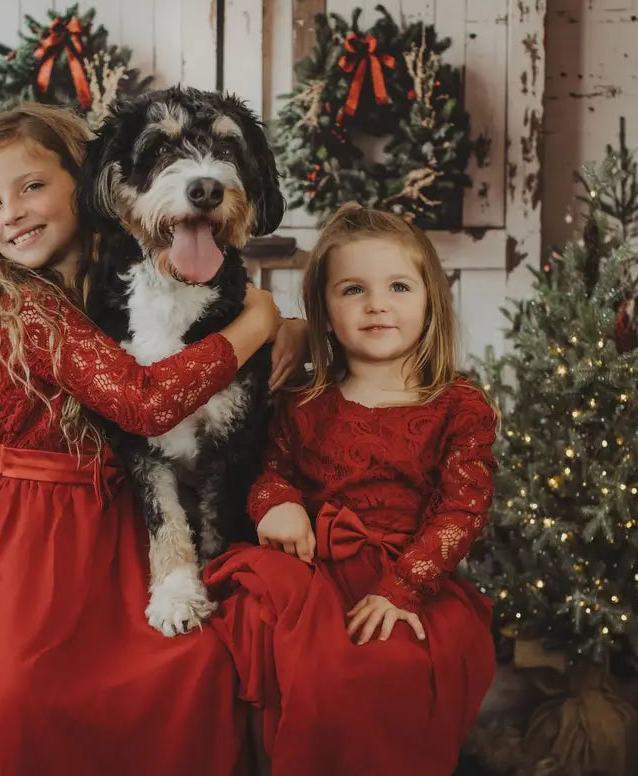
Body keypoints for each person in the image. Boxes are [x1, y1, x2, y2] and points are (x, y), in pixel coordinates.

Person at [0, 102, 300, 774]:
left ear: (86, 184)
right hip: (28, 538)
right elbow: (142, 404)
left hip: (103, 519)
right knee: (15, 694)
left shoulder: (105, 284)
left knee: (179, 670)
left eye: (31, 187)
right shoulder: (31, 306)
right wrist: (257, 324)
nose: (14, 213)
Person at [205, 203, 500, 775]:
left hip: (405, 572)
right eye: (352, 289)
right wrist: (278, 502)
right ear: (323, 309)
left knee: (382, 667)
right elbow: (274, 470)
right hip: (313, 570)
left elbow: (462, 510)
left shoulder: (457, 405)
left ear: (430, 298)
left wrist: (401, 588)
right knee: (257, 631)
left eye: (397, 286)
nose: (377, 304)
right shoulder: (304, 401)